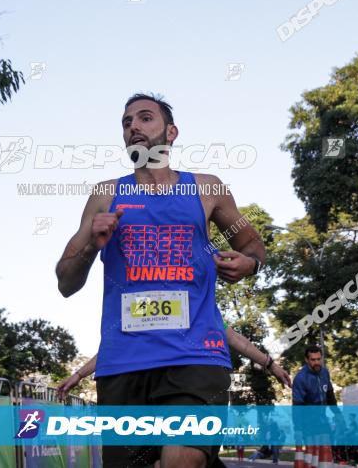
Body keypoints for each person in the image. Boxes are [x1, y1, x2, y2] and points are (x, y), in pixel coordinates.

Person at [56, 93, 266, 468]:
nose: (133, 126)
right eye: (126, 122)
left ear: (171, 132)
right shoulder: (106, 196)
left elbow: (251, 242)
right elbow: (66, 282)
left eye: (145, 118)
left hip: (196, 356)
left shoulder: (207, 189)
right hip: (124, 363)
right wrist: (90, 241)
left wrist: (249, 263)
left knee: (181, 459)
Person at [57, 326, 292, 400]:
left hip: (185, 389)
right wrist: (78, 375)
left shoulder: (198, 309)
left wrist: (271, 365)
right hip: (146, 392)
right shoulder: (143, 311)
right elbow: (111, 349)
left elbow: (235, 338)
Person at [292, 346, 342, 466]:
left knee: (325, 450)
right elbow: (297, 406)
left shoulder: (325, 373)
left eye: (319, 359)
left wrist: (337, 413)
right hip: (307, 423)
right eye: (313, 360)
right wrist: (298, 428)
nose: (317, 362)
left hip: (322, 419)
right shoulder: (300, 378)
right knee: (312, 455)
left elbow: (330, 395)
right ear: (307, 360)